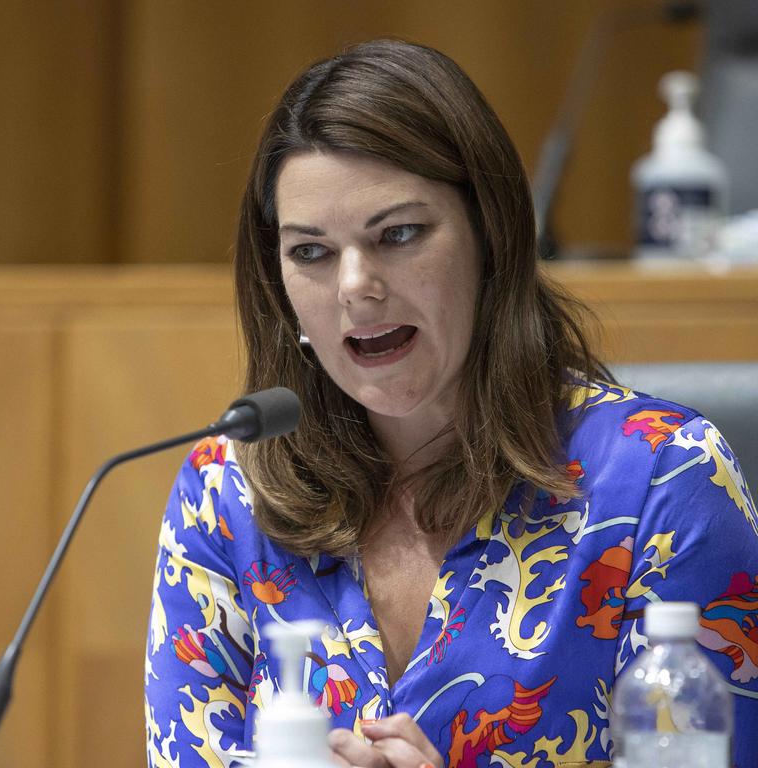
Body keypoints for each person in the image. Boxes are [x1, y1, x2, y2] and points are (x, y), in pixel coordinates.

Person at [144, 40, 758, 768]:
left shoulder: (661, 477)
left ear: (490, 235)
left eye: (398, 234)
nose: (355, 286)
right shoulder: (226, 492)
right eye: (311, 252)